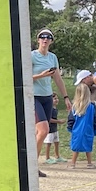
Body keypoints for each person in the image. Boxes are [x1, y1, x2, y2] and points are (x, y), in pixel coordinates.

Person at [31, 29, 72, 178]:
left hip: (47, 97)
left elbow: (58, 79)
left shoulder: (52, 57)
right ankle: (31, 166)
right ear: (38, 40)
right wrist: (41, 75)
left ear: (51, 41)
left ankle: (32, 165)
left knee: (40, 132)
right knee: (43, 130)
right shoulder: (32, 56)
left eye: (48, 37)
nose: (45, 39)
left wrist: (66, 97)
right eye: (42, 37)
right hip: (34, 97)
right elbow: (24, 77)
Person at [66, 70, 96, 168]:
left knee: (76, 147)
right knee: (88, 147)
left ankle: (73, 163)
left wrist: (70, 128)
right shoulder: (92, 107)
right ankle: (89, 163)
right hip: (89, 130)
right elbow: (95, 119)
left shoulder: (74, 107)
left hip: (77, 131)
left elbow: (71, 120)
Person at [43, 93, 64, 163]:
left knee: (56, 142)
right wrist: (58, 121)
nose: (57, 100)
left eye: (57, 98)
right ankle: (47, 158)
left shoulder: (55, 109)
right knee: (48, 143)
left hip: (55, 129)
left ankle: (57, 156)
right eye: (55, 99)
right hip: (50, 129)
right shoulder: (50, 109)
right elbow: (49, 119)